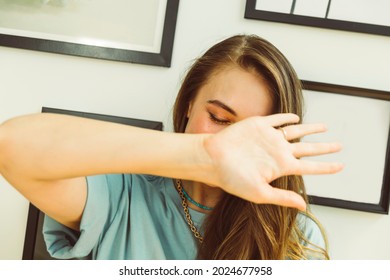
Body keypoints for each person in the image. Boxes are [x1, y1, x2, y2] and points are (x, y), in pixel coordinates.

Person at [0, 34, 342, 260]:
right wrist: (203, 154)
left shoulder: (295, 236)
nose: (231, 145)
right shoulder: (122, 194)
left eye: (252, 134)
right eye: (219, 118)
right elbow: (10, 145)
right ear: (189, 104)